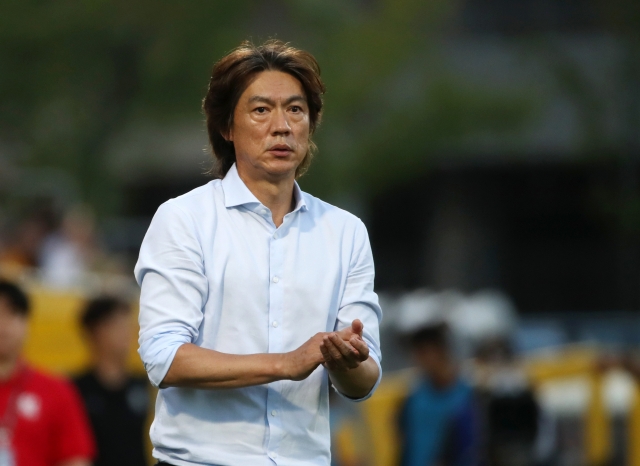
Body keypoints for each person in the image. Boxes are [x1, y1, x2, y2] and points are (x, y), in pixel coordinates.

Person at [135, 39, 382, 466]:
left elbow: (364, 381)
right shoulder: (184, 219)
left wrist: (347, 361)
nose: (282, 126)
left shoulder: (346, 232)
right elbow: (164, 358)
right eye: (261, 110)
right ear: (227, 127)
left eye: (296, 110)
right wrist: (286, 363)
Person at [0, 279, 95, 466]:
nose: (3, 324)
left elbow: (75, 459)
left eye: (12, 314)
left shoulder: (56, 391)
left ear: (27, 324)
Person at [74, 297, 151, 466]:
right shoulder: (75, 389)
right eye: (116, 325)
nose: (125, 333)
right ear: (94, 331)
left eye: (127, 325)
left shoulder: (144, 384)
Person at [399, 322, 477, 466]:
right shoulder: (413, 399)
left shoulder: (469, 396)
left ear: (440, 351)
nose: (418, 359)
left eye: (423, 352)